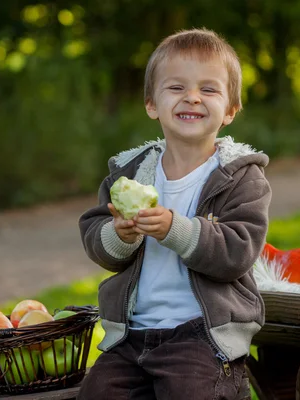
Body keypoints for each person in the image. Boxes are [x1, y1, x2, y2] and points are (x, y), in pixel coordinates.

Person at [77, 28, 271, 400]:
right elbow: (95, 238)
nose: (192, 98)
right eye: (177, 87)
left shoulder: (241, 178)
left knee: (195, 392)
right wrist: (122, 235)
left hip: (202, 335)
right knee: (98, 392)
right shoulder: (129, 175)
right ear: (152, 104)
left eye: (209, 89)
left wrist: (173, 229)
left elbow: (238, 252)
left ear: (230, 110)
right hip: (132, 336)